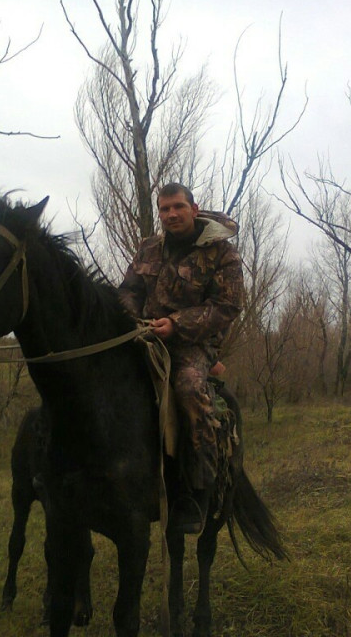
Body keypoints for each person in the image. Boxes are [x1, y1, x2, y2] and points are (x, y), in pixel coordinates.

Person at [119, 183, 243, 533]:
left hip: (194, 344)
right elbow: (128, 290)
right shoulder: (148, 248)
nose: (170, 214)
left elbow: (228, 306)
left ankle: (197, 490)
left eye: (177, 206)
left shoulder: (222, 253)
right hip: (144, 336)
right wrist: (133, 319)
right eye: (164, 209)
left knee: (189, 389)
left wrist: (176, 324)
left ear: (194, 208)